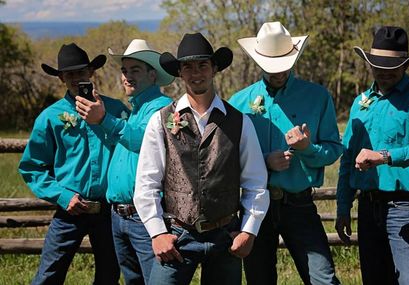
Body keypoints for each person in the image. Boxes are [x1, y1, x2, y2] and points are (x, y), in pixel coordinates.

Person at [133, 32, 270, 285]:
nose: (196, 73)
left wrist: (249, 231)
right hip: (176, 235)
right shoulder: (161, 121)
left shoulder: (240, 122)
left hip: (225, 235)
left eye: (202, 65)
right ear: (180, 73)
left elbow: (255, 183)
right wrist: (157, 233)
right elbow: (146, 183)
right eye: (188, 66)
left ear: (214, 68)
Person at [335, 26, 409, 285]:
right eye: (377, 65)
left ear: (405, 65)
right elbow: (347, 159)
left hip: (406, 207)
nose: (383, 72)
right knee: (375, 279)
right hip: (367, 207)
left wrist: (387, 156)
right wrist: (343, 207)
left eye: (390, 66)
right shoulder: (361, 102)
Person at [229, 21, 342, 285]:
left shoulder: (317, 97)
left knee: (323, 278)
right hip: (255, 206)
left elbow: (334, 149)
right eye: (271, 68)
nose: (278, 74)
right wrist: (264, 163)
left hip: (299, 204)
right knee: (259, 280)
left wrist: (307, 150)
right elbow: (228, 161)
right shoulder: (238, 102)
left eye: (284, 66)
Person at [18, 43, 126, 284]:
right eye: (70, 74)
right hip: (70, 209)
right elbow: (32, 167)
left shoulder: (116, 110)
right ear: (61, 78)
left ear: (91, 72)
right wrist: (63, 196)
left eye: (81, 72)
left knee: (109, 273)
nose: (77, 78)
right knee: (50, 272)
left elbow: (132, 152)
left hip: (109, 210)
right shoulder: (50, 117)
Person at [75, 39, 174, 284]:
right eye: (124, 70)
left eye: (135, 70)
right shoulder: (134, 110)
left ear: (153, 75)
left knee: (155, 279)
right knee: (133, 280)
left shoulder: (161, 108)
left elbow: (143, 140)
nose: (127, 76)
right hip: (120, 216)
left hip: (144, 216)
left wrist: (104, 120)